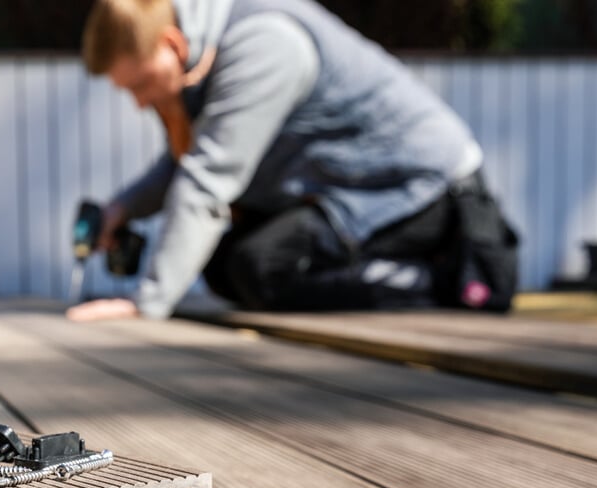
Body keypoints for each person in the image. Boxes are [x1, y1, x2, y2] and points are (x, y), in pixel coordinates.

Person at [67, 0, 518, 323]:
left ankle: (443, 278)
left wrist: (146, 305)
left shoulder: (263, 44)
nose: (140, 103)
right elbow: (184, 166)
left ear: (172, 43)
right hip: (346, 189)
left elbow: (208, 178)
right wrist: (120, 210)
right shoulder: (207, 52)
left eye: (140, 84)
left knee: (258, 267)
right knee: (224, 265)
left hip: (418, 187)